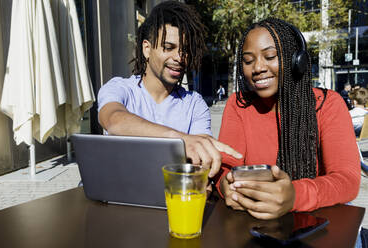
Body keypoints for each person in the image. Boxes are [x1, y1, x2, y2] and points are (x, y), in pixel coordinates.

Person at [216, 18, 360, 221]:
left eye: (270, 56)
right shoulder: (238, 104)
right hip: (252, 225)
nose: (258, 68)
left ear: (296, 59)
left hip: (318, 225)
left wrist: (294, 195)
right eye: (248, 61)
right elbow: (226, 169)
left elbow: (347, 181)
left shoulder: (328, 104)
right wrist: (225, 185)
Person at [97, 1, 242, 179]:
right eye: (168, 48)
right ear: (147, 49)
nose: (179, 58)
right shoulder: (120, 88)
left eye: (185, 51)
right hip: (115, 194)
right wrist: (180, 139)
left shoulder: (194, 103)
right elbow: (113, 121)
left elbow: (199, 158)